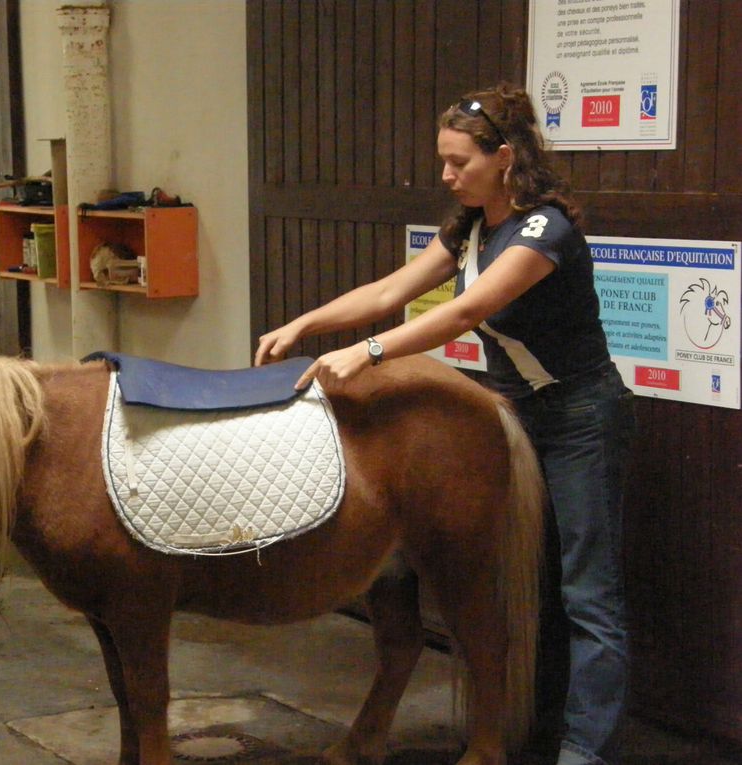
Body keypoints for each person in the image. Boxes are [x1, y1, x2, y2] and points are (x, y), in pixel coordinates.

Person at [255, 83, 634, 765]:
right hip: (519, 409)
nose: (447, 175)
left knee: (587, 592)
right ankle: (534, 730)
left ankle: (585, 750)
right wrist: (306, 322)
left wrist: (368, 350)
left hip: (579, 416)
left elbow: (465, 312)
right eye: (444, 160)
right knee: (533, 583)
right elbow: (391, 291)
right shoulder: (469, 228)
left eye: (460, 162)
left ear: (507, 158)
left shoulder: (545, 229)